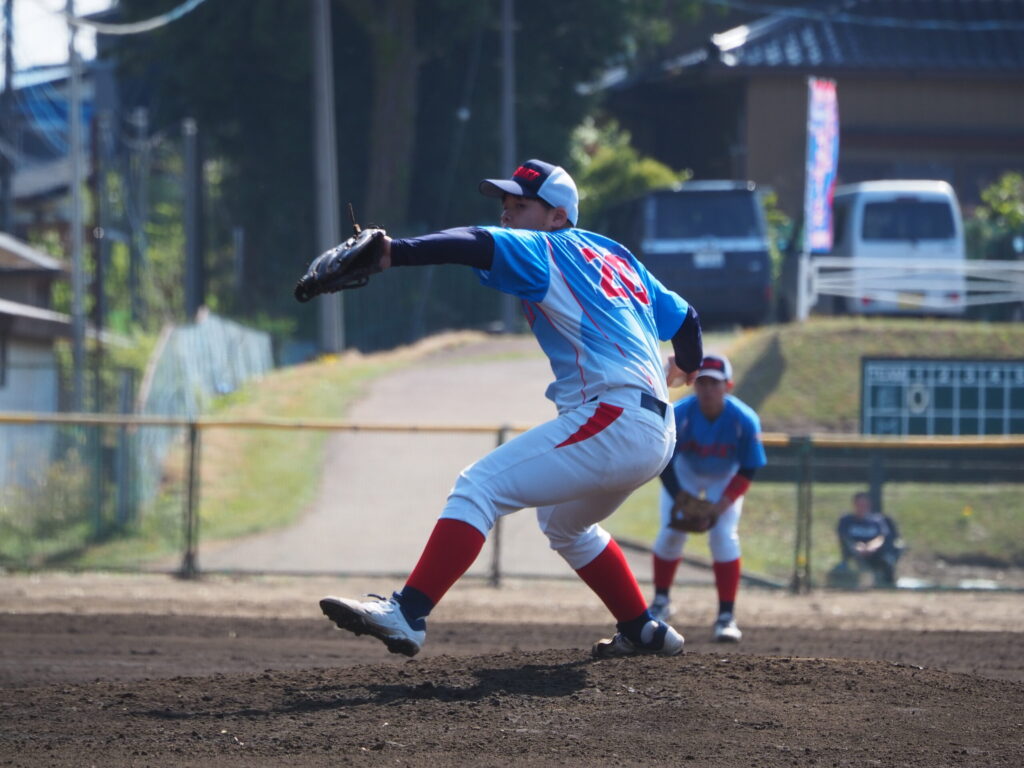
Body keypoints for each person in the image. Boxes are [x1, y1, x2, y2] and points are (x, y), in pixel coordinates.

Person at [318, 159, 704, 659]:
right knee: (563, 525)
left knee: (478, 487)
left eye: (520, 205)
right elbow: (687, 319)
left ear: (558, 216)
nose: (507, 213)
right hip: (653, 429)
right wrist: (686, 365)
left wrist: (394, 252)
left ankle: (407, 613)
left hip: (616, 419)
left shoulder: (546, 247)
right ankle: (643, 628)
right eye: (505, 204)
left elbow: (473, 242)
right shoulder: (615, 255)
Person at [647, 354, 767, 643]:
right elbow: (662, 460)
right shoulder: (679, 413)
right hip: (685, 471)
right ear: (694, 385)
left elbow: (749, 468)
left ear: (728, 386)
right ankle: (661, 602)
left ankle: (726, 616)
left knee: (723, 536)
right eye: (702, 382)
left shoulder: (744, 419)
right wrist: (681, 498)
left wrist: (719, 506)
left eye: (715, 383)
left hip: (725, 475)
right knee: (670, 533)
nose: (708, 389)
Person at [835, 491, 903, 587]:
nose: (862, 507)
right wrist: (857, 547)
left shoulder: (877, 520)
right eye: (859, 504)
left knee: (887, 559)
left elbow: (882, 537)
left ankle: (886, 584)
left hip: (875, 553)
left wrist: (871, 547)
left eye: (864, 504)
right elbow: (845, 537)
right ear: (854, 505)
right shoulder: (846, 520)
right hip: (855, 553)